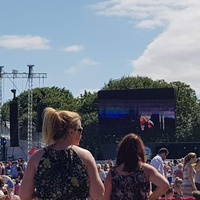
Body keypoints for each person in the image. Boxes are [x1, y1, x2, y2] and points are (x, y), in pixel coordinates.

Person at [19, 107, 104, 200]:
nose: (81, 134)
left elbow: (24, 195)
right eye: (80, 130)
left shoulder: (37, 157)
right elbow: (98, 194)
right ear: (71, 132)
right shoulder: (85, 156)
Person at [102, 133, 169, 200]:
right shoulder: (146, 169)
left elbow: (105, 197)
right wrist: (150, 198)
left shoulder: (113, 173)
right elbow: (165, 185)